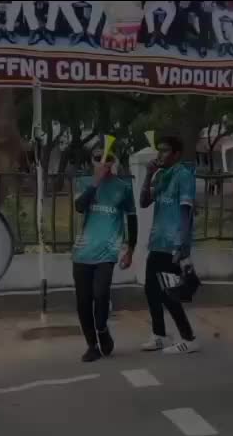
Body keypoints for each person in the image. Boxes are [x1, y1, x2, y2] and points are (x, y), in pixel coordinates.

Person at [72, 146, 137, 362]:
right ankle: (92, 346)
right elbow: (79, 207)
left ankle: (101, 328)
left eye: (108, 158)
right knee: (83, 302)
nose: (103, 162)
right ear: (92, 161)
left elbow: (132, 219)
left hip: (108, 251)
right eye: (98, 158)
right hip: (82, 252)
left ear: (113, 161)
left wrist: (130, 250)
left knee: (100, 294)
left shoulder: (123, 187)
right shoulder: (83, 183)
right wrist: (96, 182)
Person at [139, 135, 199, 354]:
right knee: (151, 290)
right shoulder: (162, 175)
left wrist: (182, 244)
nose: (160, 155)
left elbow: (186, 211)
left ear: (176, 154)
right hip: (158, 241)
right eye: (159, 150)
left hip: (172, 243)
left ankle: (188, 338)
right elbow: (144, 202)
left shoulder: (184, 176)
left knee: (169, 292)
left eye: (165, 151)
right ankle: (159, 335)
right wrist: (148, 175)